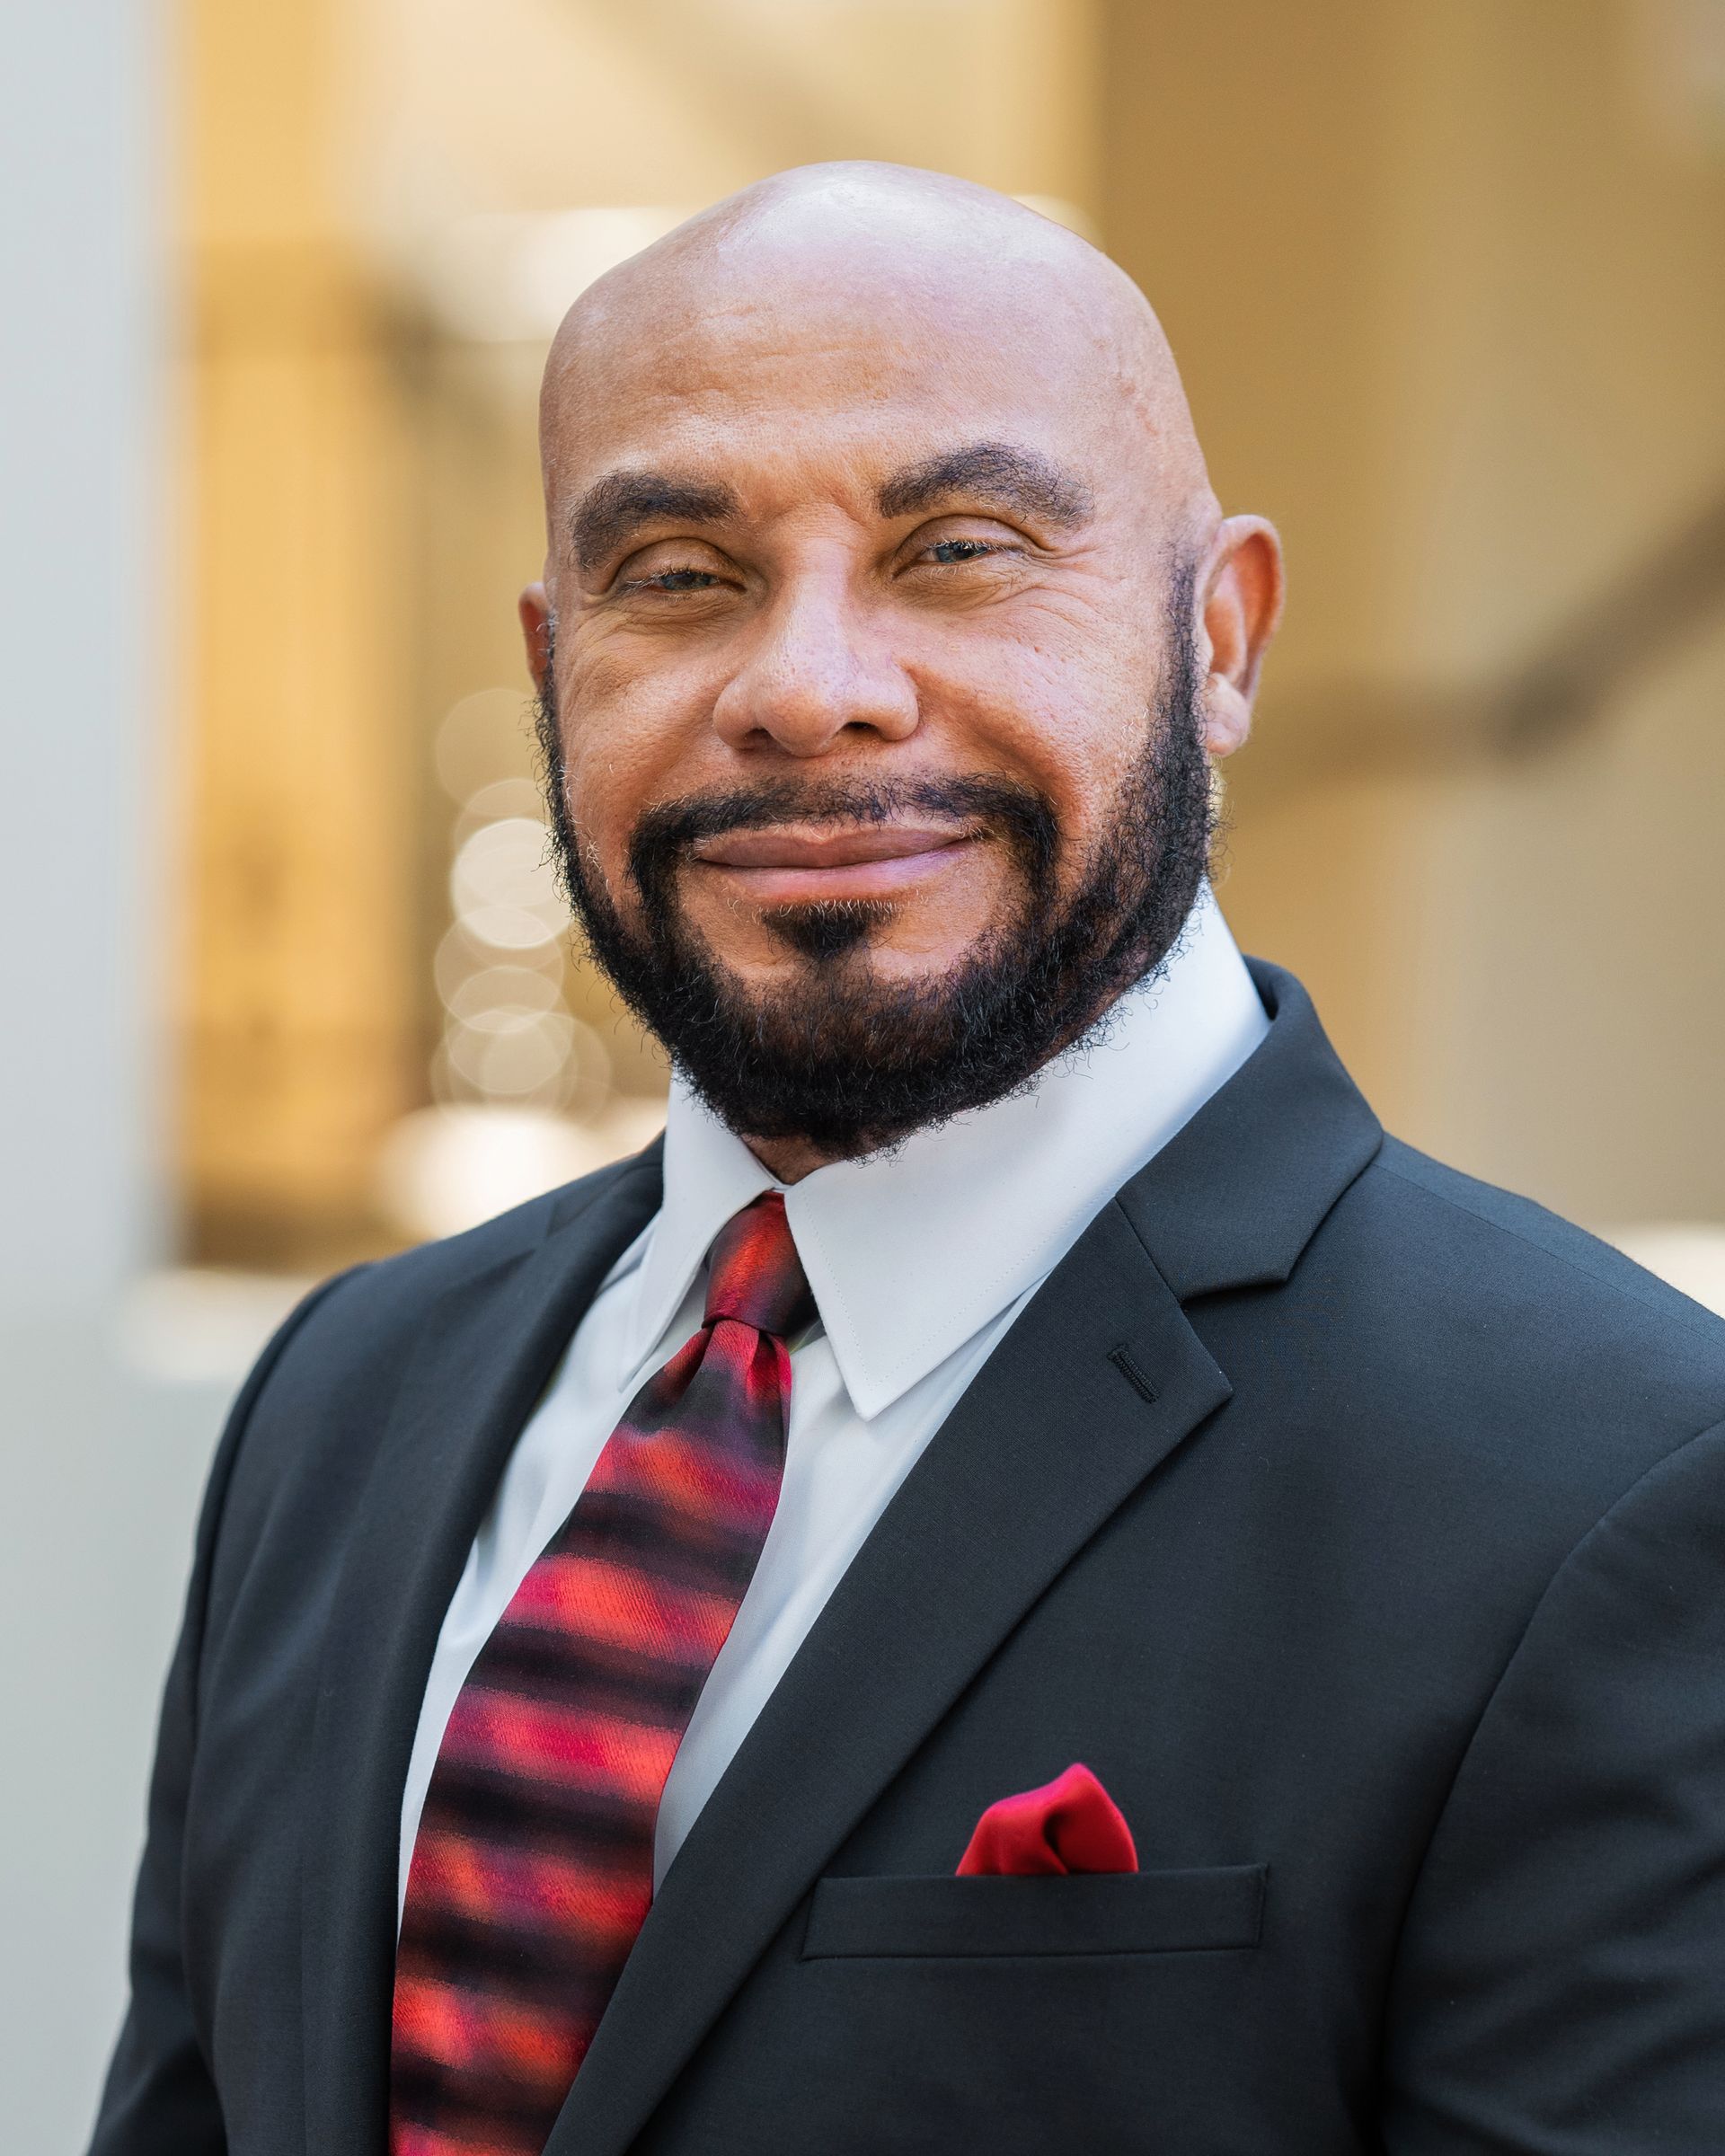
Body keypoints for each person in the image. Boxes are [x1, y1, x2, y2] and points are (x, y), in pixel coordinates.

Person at [90, 164, 1725, 2156]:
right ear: (550, 668)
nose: (804, 685)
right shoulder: (346, 1397)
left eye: (956, 548)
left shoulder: (1617, 1483)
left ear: (1220, 636)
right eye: (680, 574)